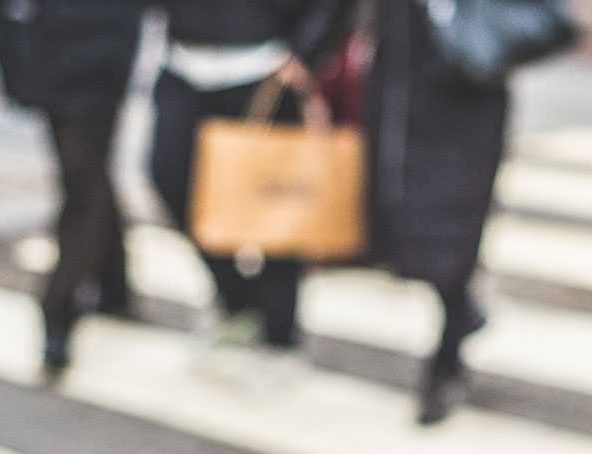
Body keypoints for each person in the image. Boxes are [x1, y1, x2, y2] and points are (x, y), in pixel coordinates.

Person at [145, 0, 350, 372]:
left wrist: (307, 52)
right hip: (183, 60)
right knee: (169, 175)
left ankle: (279, 333)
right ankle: (239, 300)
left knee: (276, 203)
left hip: (264, 66)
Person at [362, 0, 511, 424]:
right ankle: (462, 314)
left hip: (468, 89)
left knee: (454, 236)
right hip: (399, 89)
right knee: (399, 227)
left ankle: (447, 359)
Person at [0, 0, 144, 374]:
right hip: (51, 50)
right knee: (86, 177)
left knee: (84, 183)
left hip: (96, 56)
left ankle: (60, 311)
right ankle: (112, 286)